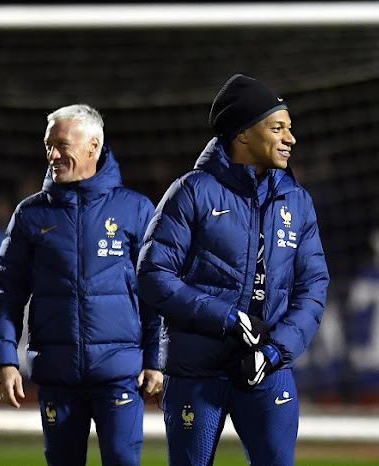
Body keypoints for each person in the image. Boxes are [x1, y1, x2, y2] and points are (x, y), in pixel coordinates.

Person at [137, 74, 330, 466]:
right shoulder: (191, 191)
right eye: (277, 128)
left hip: (267, 369)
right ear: (243, 135)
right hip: (196, 371)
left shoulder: (297, 201)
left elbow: (313, 287)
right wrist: (227, 318)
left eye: (289, 129)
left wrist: (275, 352)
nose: (290, 139)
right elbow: (153, 276)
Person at [0, 104, 163, 466]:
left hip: (119, 373)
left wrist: (156, 359)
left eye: (62, 145)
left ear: (92, 146)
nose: (52, 155)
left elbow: (157, 292)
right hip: (57, 373)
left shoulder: (136, 210)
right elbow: (7, 294)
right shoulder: (30, 214)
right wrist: (3, 361)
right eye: (48, 145)